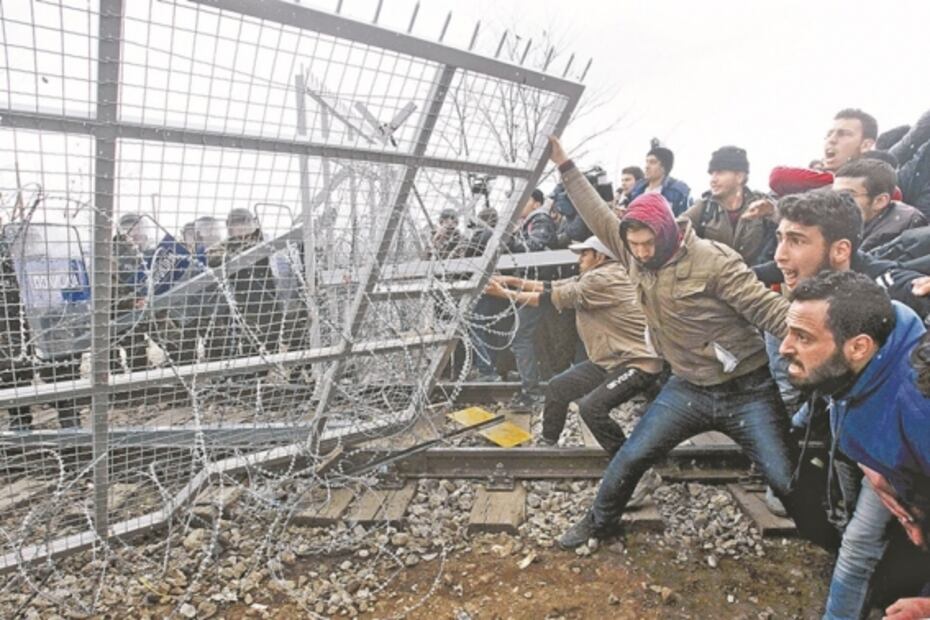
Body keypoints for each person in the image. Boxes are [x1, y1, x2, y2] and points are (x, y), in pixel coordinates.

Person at [546, 135, 833, 550]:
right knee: (630, 457)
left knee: (785, 478)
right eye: (635, 245)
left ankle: (832, 544)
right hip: (687, 387)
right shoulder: (630, 249)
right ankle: (599, 522)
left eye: (649, 244)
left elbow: (763, 309)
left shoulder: (713, 259)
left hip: (746, 390)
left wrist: (813, 343)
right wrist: (564, 164)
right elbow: (593, 211)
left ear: (666, 233)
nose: (642, 253)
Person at [779, 271, 930, 619]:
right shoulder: (863, 364)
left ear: (859, 346)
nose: (785, 347)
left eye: (802, 337)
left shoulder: (920, 405)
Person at [485, 235, 663, 454]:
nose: (579, 259)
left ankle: (628, 464)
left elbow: (549, 297)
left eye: (584, 254)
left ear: (600, 256)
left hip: (637, 364)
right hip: (611, 360)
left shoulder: (602, 280)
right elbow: (552, 285)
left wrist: (504, 294)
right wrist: (512, 281)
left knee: (591, 409)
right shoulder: (596, 274)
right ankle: (548, 444)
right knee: (557, 387)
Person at [505, 189, 558, 408]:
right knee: (531, 337)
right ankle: (536, 383)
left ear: (536, 203)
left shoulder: (540, 219)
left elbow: (535, 247)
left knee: (520, 338)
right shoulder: (527, 222)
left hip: (538, 286)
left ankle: (532, 390)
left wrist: (507, 242)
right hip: (533, 285)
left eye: (523, 200)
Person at [684, 146, 775, 265]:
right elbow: (673, 230)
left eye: (720, 173)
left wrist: (773, 212)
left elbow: (790, 221)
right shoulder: (704, 207)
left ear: (739, 177)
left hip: (755, 280)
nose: (713, 180)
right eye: (712, 174)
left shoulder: (762, 203)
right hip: (712, 280)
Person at [833, 159, 927, 252]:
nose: (835, 201)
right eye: (832, 194)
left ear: (880, 201)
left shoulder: (898, 237)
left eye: (845, 195)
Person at [626, 139, 691, 216]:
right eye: (646, 162)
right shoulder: (637, 189)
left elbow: (683, 221)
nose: (647, 166)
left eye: (652, 162)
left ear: (664, 167)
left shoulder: (678, 191)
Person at [822, 108, 878, 173]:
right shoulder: (813, 182)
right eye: (829, 134)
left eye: (843, 134)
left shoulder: (881, 182)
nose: (831, 140)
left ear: (866, 145)